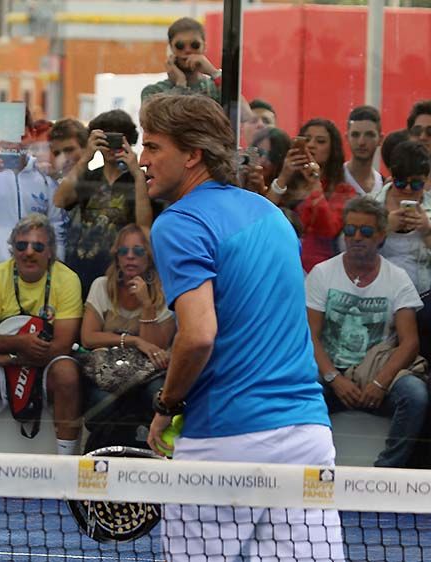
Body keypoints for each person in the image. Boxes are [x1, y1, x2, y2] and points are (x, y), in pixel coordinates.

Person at [139, 94, 340, 561]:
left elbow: (198, 334)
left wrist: (167, 404)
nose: (142, 160)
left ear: (192, 155)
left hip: (225, 438)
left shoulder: (179, 223)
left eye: (152, 147)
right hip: (307, 435)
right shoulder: (270, 215)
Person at [307, 196, 428, 468]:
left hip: (377, 375)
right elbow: (310, 337)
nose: (357, 237)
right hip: (331, 374)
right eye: (350, 230)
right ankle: (315, 466)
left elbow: (409, 344)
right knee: (304, 385)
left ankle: (385, 472)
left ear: (381, 236)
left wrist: (380, 383)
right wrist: (334, 378)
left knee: (415, 395)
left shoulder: (397, 278)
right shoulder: (322, 273)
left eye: (366, 231)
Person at [0, 213, 83, 455]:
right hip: (6, 366)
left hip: (46, 364)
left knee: (68, 374)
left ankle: (66, 464)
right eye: (21, 245)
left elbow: (63, 344)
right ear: (12, 249)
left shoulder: (67, 279)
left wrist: (13, 355)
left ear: (50, 252)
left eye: (38, 246)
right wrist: (20, 344)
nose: (29, 252)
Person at [80, 223, 175, 451]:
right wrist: (133, 340)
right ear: (116, 256)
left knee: (157, 398)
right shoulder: (101, 286)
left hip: (149, 373)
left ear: (150, 257)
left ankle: (154, 455)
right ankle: (100, 457)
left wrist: (146, 305)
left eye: (138, 251)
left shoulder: (166, 291)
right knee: (101, 405)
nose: (130, 257)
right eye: (124, 251)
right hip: (109, 372)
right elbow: (88, 338)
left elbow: (157, 347)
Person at [53, 109, 156, 299]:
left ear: (128, 140)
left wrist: (137, 174)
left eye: (117, 139)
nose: (111, 147)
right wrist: (85, 158)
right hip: (82, 270)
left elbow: (144, 227)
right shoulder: (90, 176)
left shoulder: (138, 180)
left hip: (121, 274)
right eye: (106, 139)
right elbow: (60, 200)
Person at [0, 111, 66, 269]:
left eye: (20, 135)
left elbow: (56, 224)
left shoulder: (44, 175)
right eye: (7, 135)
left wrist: (57, 263)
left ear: (31, 134)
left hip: (35, 270)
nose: (14, 143)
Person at [268, 118, 357, 272]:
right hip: (280, 264)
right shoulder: (287, 183)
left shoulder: (343, 191)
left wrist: (315, 183)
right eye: (306, 140)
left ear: (332, 150)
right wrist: (284, 176)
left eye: (320, 141)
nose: (311, 145)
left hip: (320, 270)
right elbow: (263, 215)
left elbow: (329, 229)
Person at [372, 140, 431, 359]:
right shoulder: (372, 204)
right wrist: (383, 228)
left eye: (415, 184)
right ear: (391, 176)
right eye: (400, 183)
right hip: (379, 294)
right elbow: (349, 250)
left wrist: (427, 231)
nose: (407, 189)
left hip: (424, 297)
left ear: (425, 180)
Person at [141, 17, 221, 104]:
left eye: (195, 45)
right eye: (180, 45)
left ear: (204, 47)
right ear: (171, 48)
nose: (187, 50)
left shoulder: (215, 88)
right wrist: (180, 85)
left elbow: (235, 101)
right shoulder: (153, 92)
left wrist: (213, 72)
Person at [344, 105, 384, 195]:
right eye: (355, 135)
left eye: (369, 135)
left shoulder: (384, 186)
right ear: (347, 138)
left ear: (380, 139)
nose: (361, 142)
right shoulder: (333, 180)